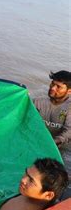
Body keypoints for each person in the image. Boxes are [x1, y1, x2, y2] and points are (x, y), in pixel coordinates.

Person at [34, 70, 71, 198]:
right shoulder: (38, 102)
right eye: (52, 84)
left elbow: (69, 131)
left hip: (60, 148)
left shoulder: (69, 108)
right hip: (38, 143)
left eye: (58, 87)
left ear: (69, 91)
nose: (52, 88)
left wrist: (54, 142)